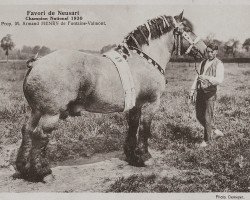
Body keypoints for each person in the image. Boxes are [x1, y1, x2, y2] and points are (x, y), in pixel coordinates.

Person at [189, 43, 224, 147]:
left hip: (210, 94)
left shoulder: (219, 64)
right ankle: (215, 131)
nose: (209, 54)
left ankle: (207, 141)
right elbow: (197, 76)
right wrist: (192, 90)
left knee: (207, 117)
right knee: (199, 116)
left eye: (211, 52)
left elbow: (219, 80)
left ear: (216, 52)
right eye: (208, 51)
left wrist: (207, 78)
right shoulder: (203, 62)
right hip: (200, 92)